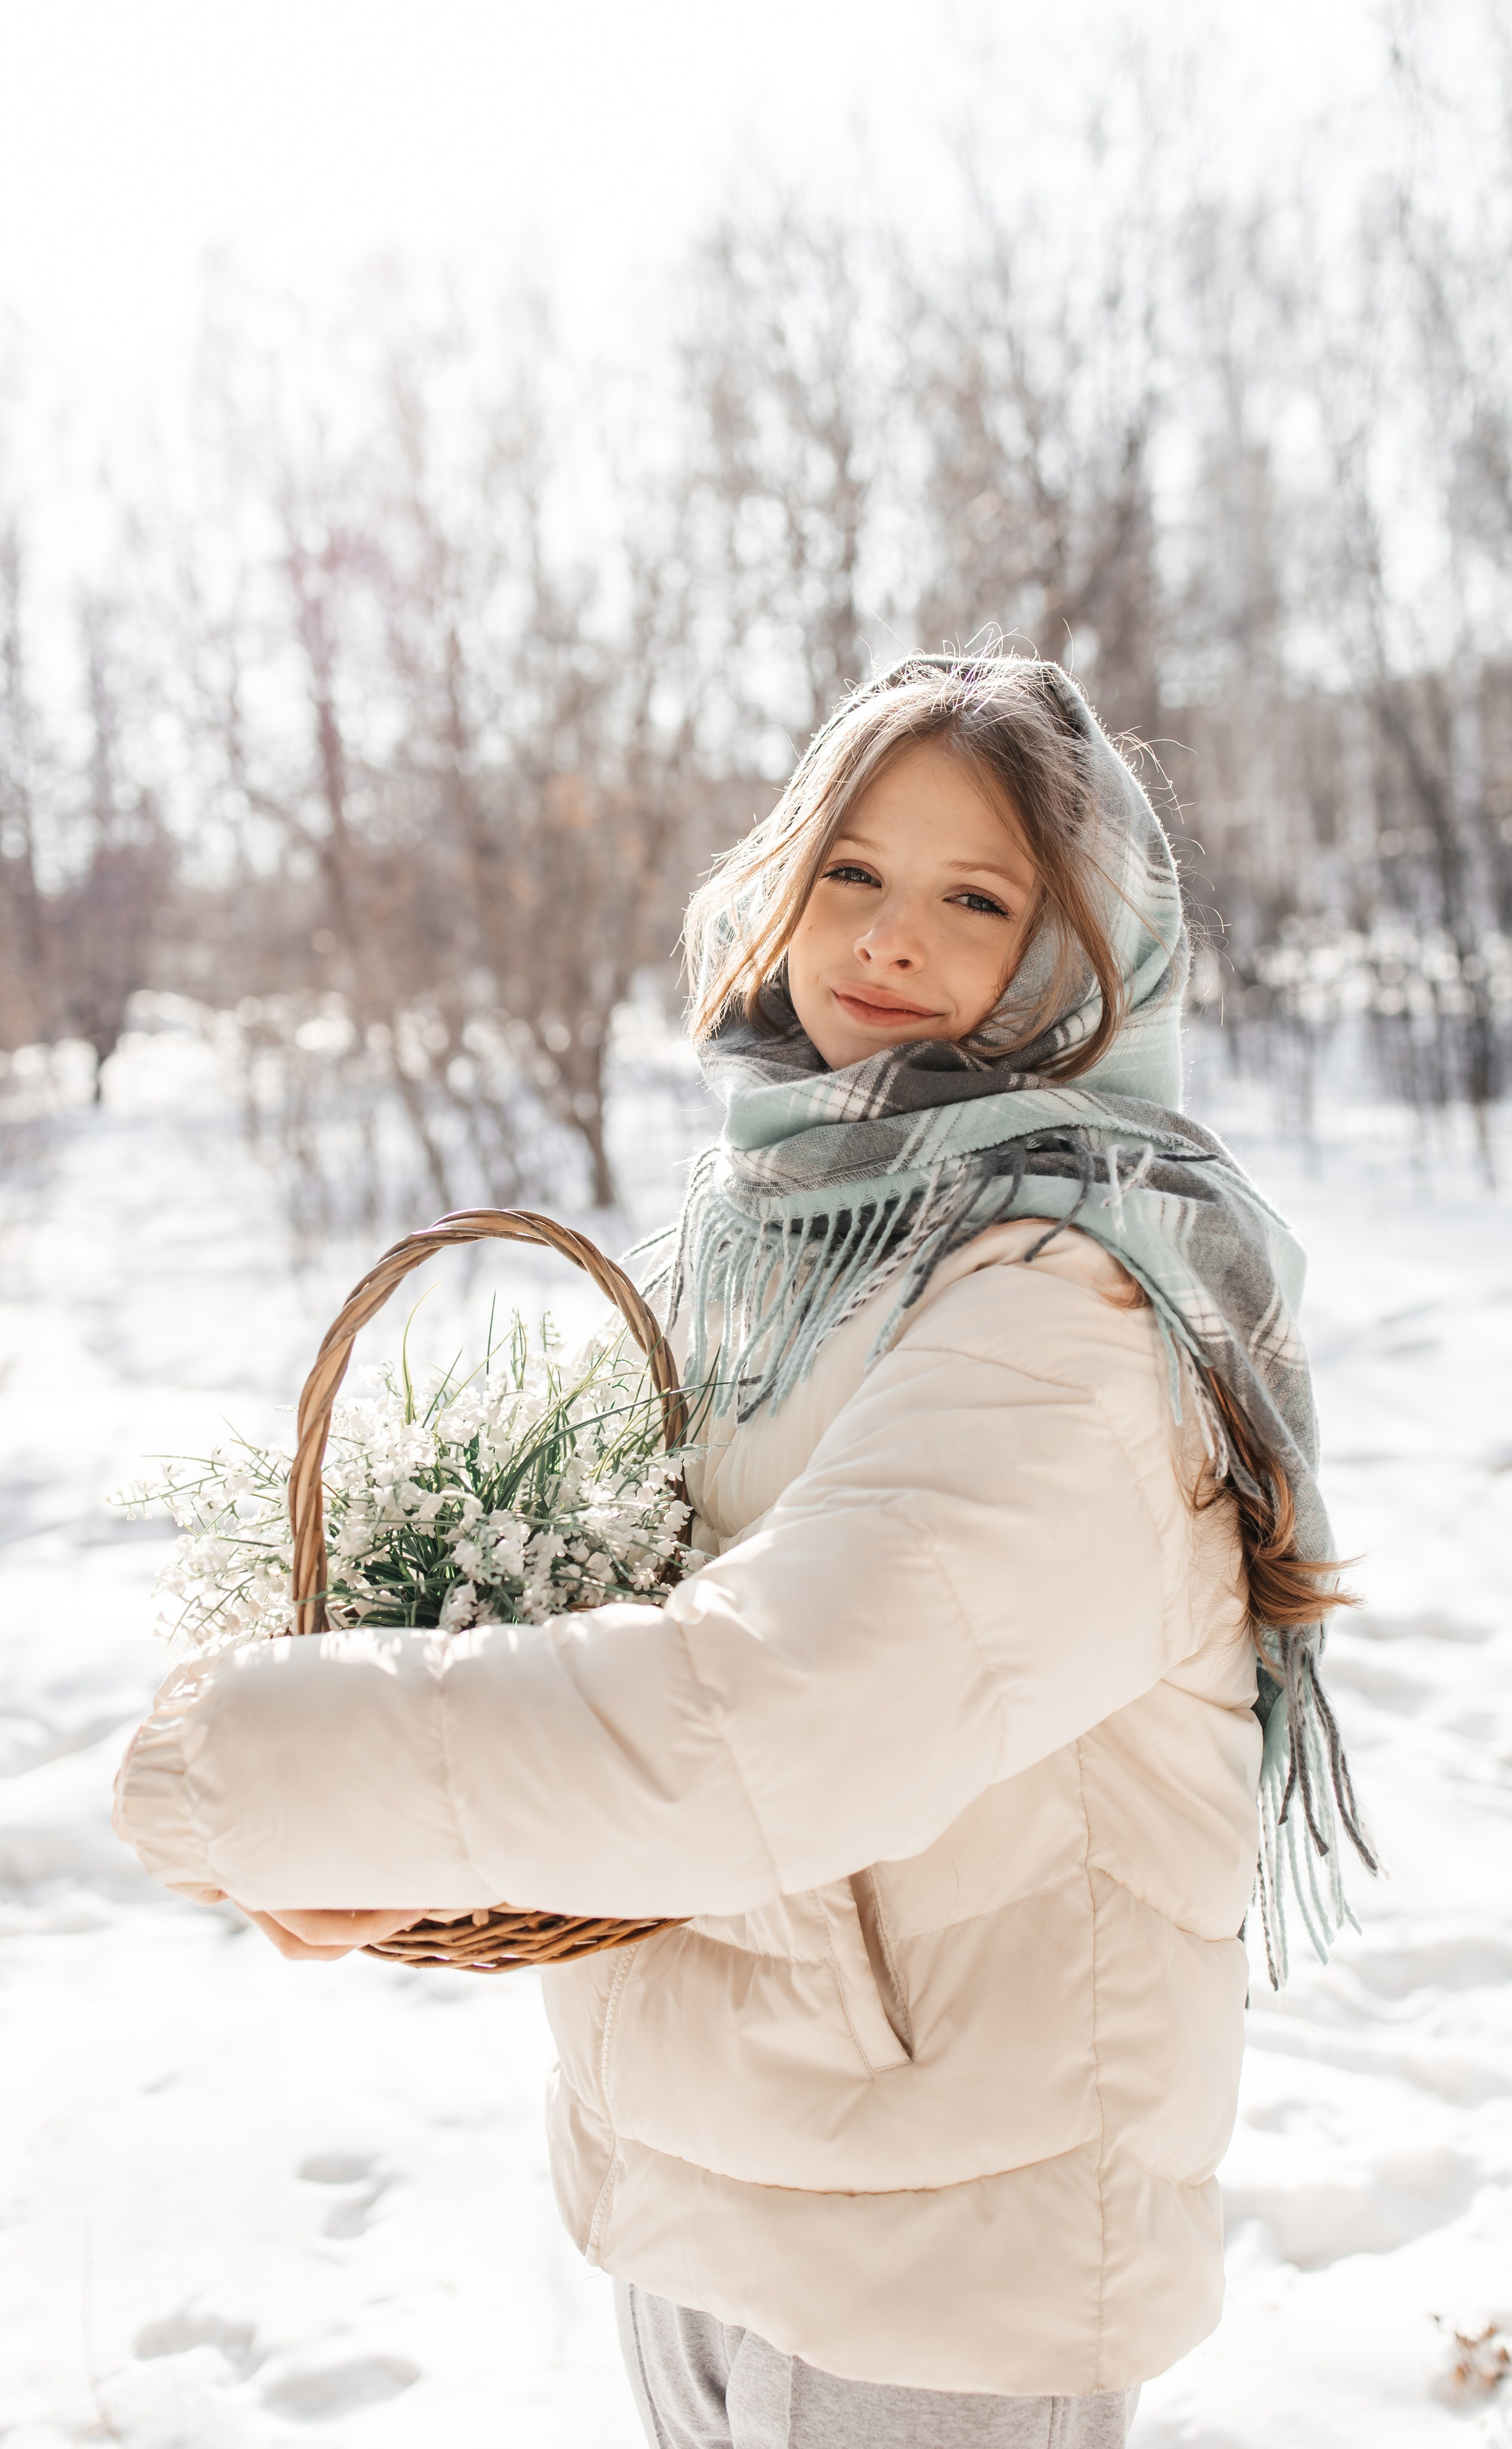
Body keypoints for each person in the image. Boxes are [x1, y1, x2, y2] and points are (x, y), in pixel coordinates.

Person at [115, 655, 1370, 2449]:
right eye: (851, 869)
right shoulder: (792, 1233)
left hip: (942, 2256)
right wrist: (426, 1839)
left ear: (1084, 957)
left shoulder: (1071, 1302)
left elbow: (771, 1716)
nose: (888, 936)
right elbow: (649, 1635)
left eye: (978, 898)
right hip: (712, 2189)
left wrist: (250, 1771)